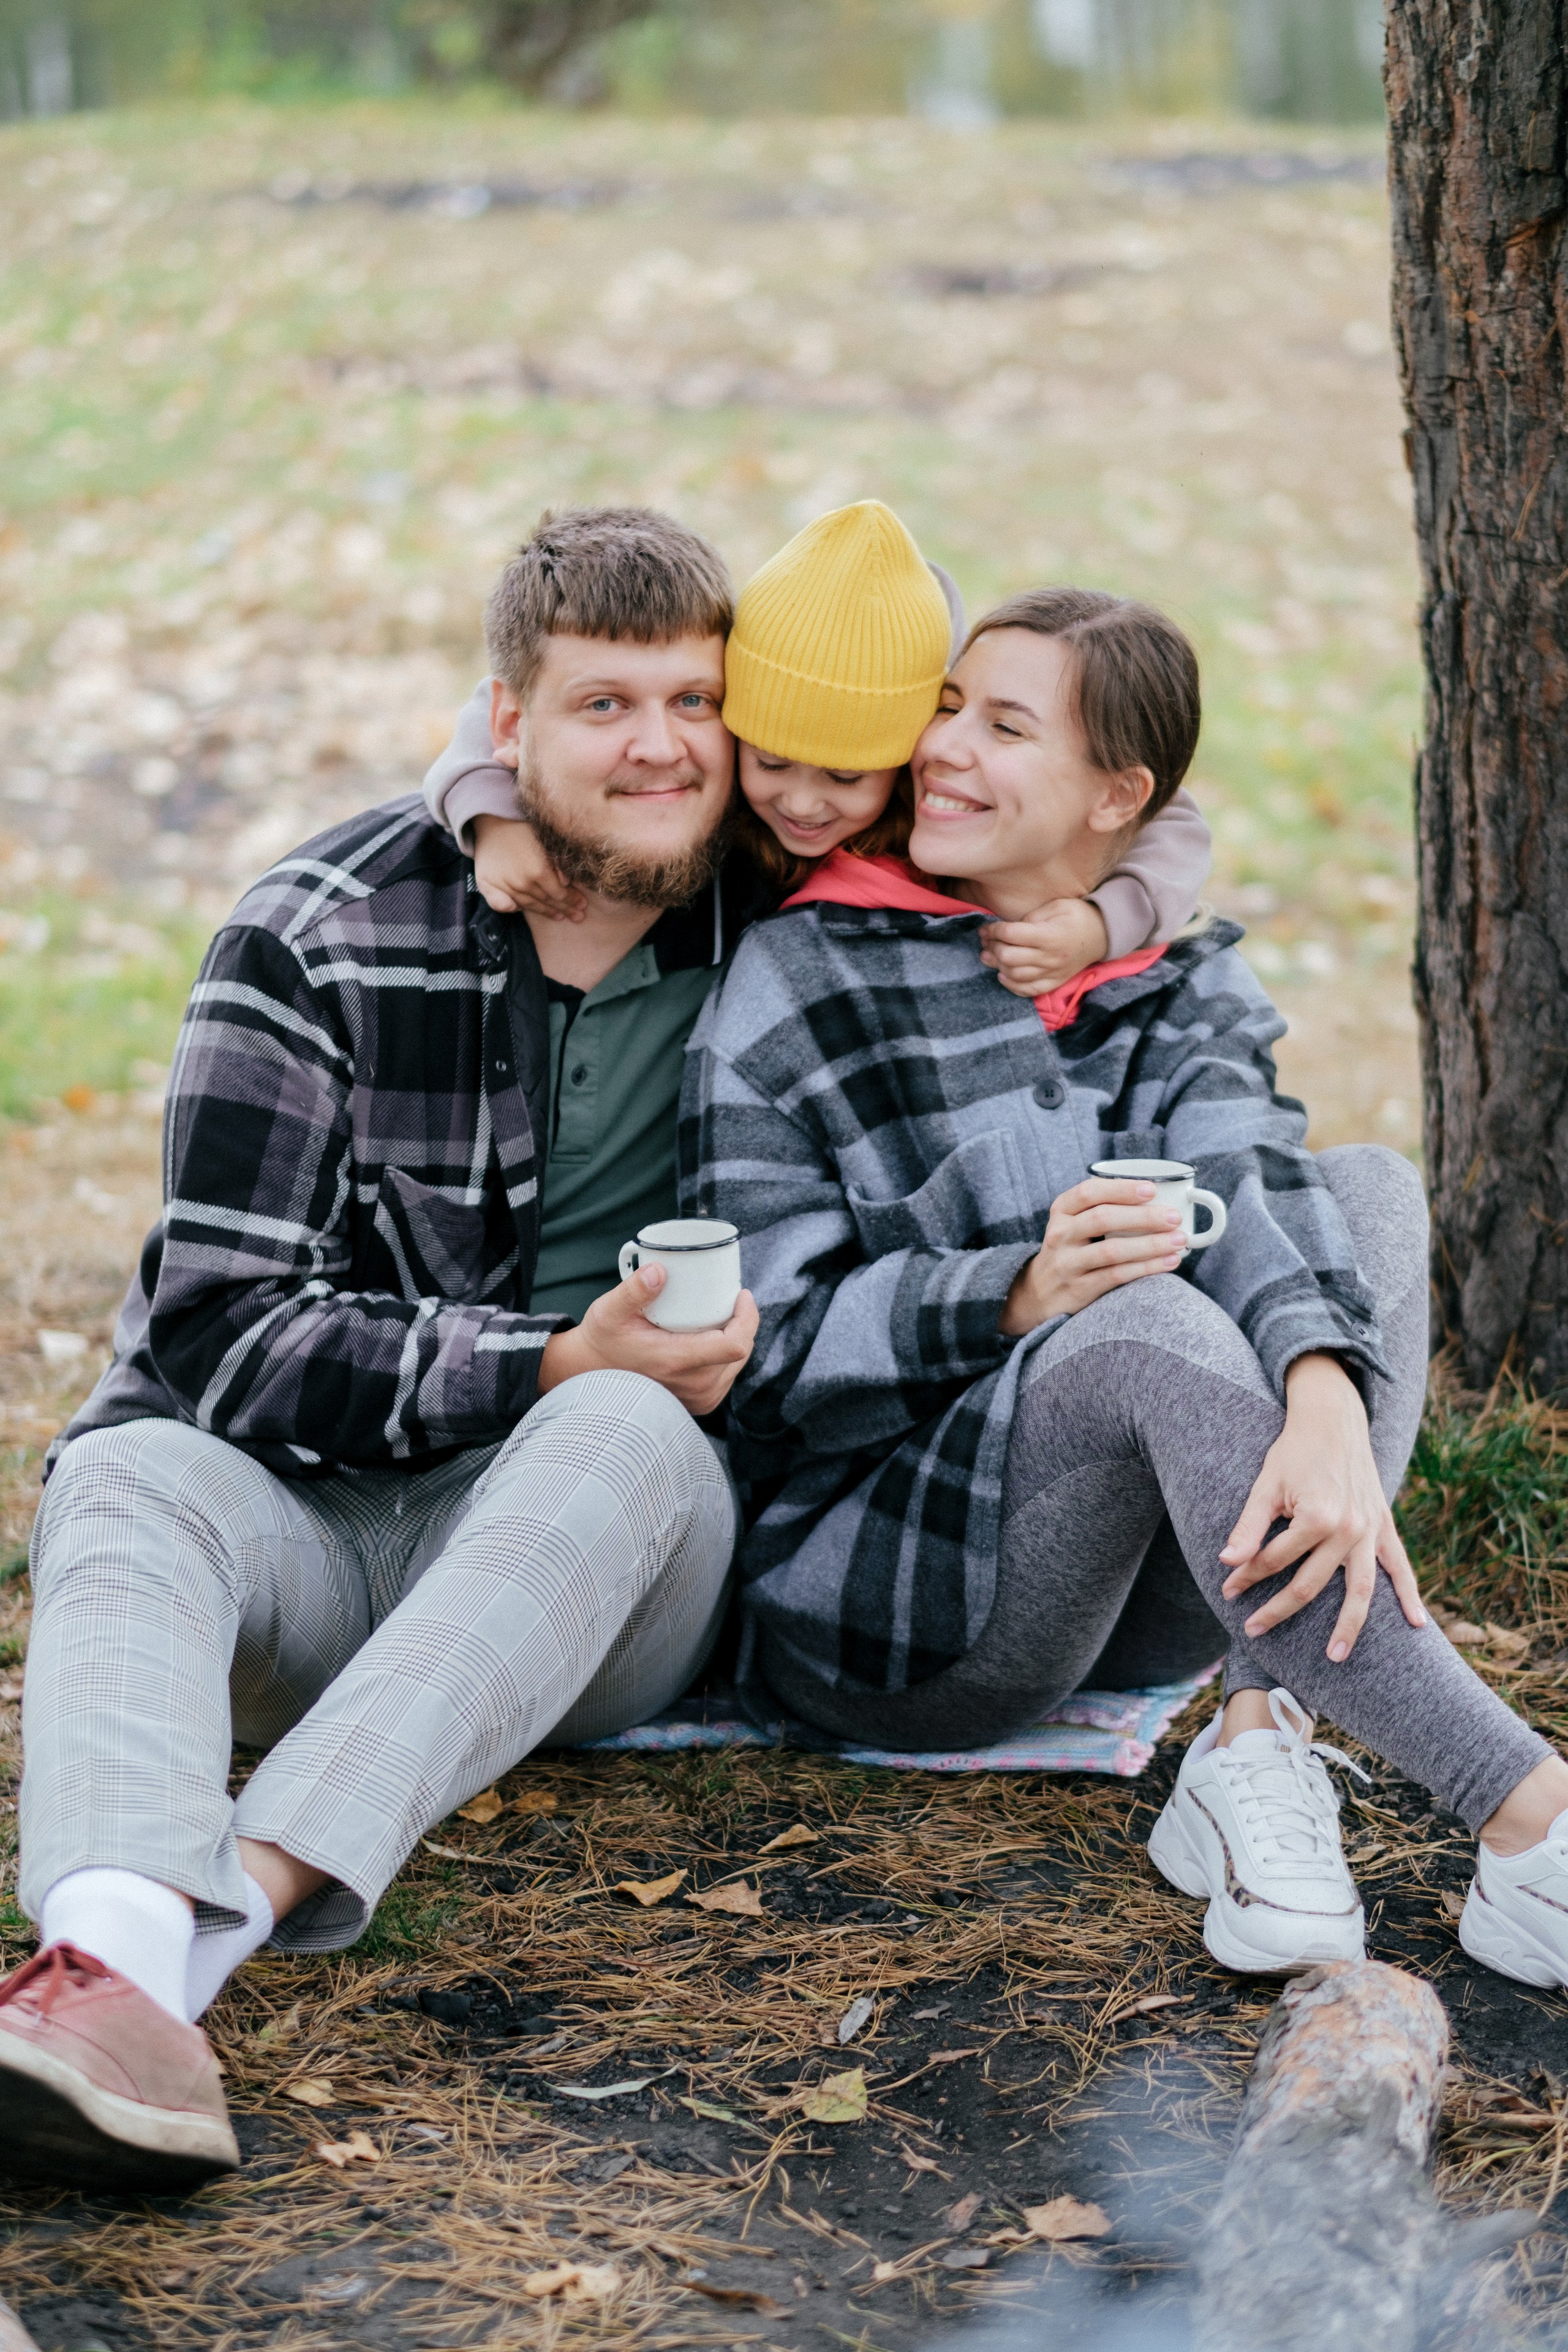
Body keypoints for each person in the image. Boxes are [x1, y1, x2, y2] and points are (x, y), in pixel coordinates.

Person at [0, 509, 761, 2193]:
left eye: (695, 703)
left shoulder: (787, 924)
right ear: (505, 722)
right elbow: (219, 1330)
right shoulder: (316, 932)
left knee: (625, 1424)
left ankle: (199, 1949)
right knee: (122, 1469)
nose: (658, 746)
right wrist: (540, 1355)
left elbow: (1064, 805)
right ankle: (102, 1967)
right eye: (603, 704)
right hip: (316, 1532)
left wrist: (580, 1384)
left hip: (606, 1582)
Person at [684, 584, 1568, 1989]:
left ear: (1117, 797)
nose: (942, 748)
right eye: (948, 709)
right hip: (893, 1612)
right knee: (1140, 1318)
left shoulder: (1167, 971)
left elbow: (1248, 1169)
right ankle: (1528, 1813)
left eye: (1004, 727)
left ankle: (1253, 1735)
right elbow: (764, 1353)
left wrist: (1323, 1392)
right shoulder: (799, 976)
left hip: (1155, 1598)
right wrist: (1012, 1293)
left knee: (1364, 1193)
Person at [424, 500, 1214, 1034]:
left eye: (846, 777)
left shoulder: (934, 756)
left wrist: (1105, 922)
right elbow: (516, 704)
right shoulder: (712, 760)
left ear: (907, 746)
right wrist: (492, 812)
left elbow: (1165, 814)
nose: (801, 803)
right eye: (772, 761)